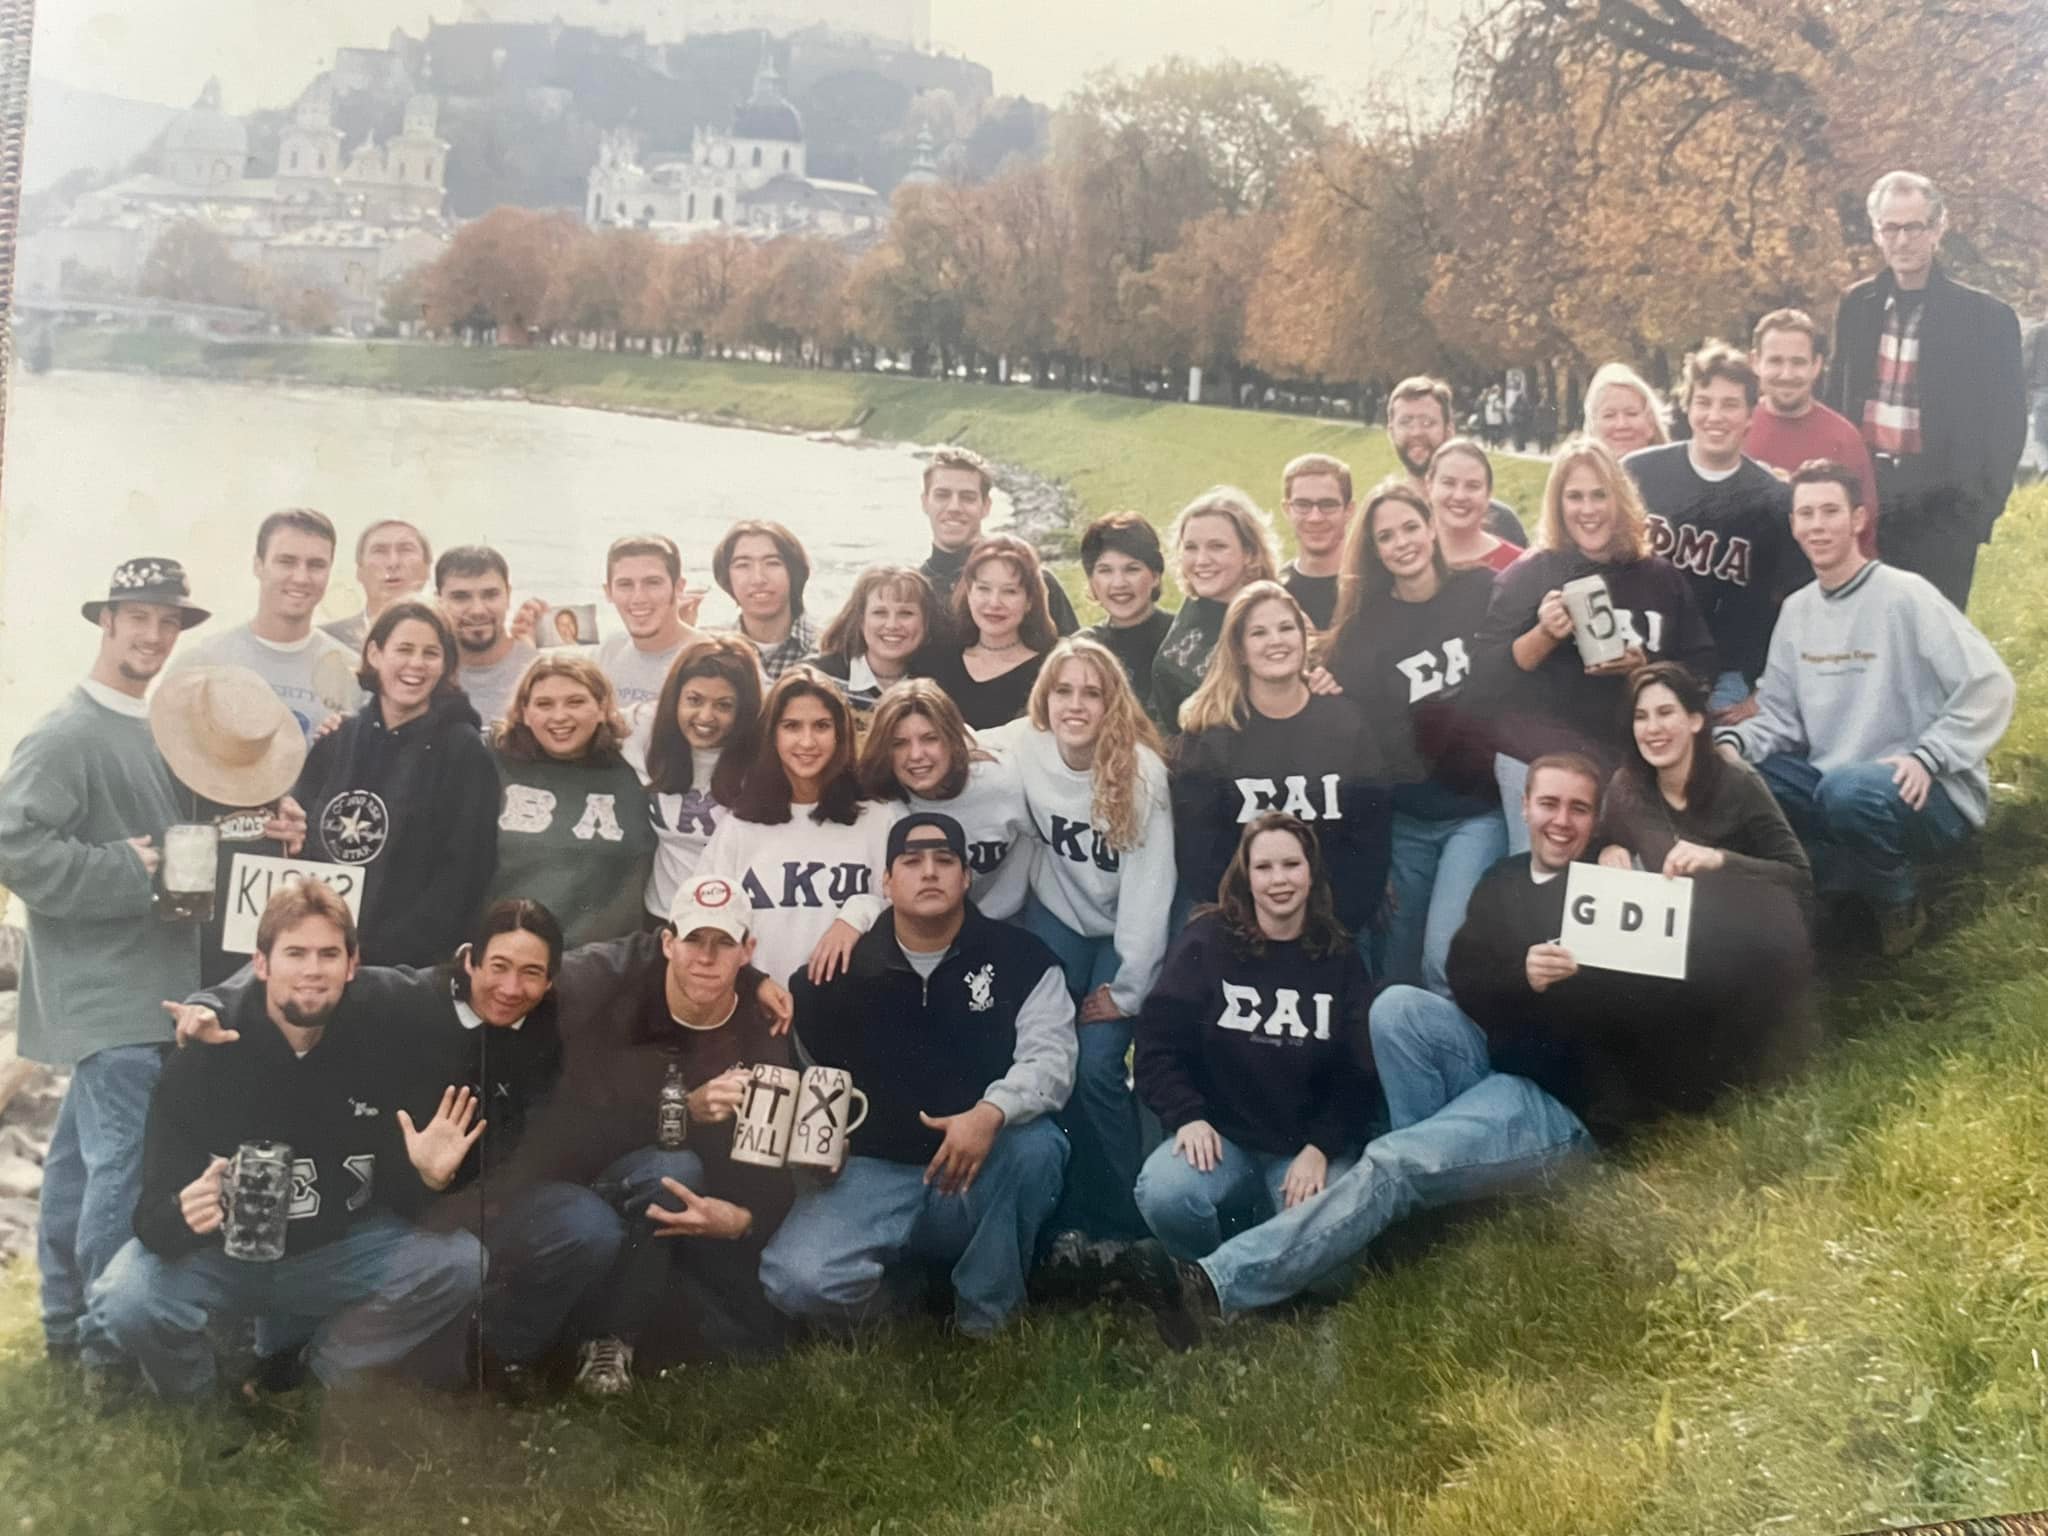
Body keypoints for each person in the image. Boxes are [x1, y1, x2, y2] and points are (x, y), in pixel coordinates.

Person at [1134, 754, 1812, 1343]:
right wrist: (1523, 974)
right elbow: (1464, 977)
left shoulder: (1618, 891)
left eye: (1579, 809)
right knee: (1398, 1006)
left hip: (1558, 1105)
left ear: (1594, 820)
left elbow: (1662, 1012)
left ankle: (1218, 1285)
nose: (1560, 820)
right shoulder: (1507, 880)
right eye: (1547, 803)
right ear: (1525, 806)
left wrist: (1595, 978)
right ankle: (1424, 1201)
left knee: (1391, 1160)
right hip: (1493, 1069)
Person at [87, 882, 485, 1401]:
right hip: (225, 1256)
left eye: (328, 954)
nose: (313, 970)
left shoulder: (381, 1044)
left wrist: (430, 1179)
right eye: (295, 953)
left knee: (461, 1262)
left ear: (351, 964)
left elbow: (394, 1196)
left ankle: (314, 1368)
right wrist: (181, 1214)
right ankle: (200, 1402)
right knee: (125, 1296)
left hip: (329, 1251)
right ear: (261, 963)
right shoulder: (207, 1053)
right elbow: (151, 1217)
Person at [0, 558, 209, 1370]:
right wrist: (124, 871)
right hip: (111, 994)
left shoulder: (148, 725)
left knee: (78, 1170)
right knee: (119, 1174)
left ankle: (62, 1326)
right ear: (107, 621)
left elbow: (174, 840)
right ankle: (105, 1354)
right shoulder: (67, 730)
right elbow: (16, 846)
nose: (153, 635)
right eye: (138, 618)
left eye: (168, 621)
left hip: (145, 983)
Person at [759, 812, 1076, 1338]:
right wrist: (814, 1141)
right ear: (886, 882)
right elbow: (798, 1067)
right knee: (794, 1280)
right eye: (912, 862)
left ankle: (986, 1315)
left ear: (966, 877)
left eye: (944, 861)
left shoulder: (1022, 959)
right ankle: (900, 1302)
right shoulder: (833, 970)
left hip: (972, 1173)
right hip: (871, 1172)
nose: (929, 873)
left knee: (1036, 1146)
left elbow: (1053, 1060)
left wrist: (990, 1112)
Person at [1717, 461, 2015, 954]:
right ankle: (1840, 883)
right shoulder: (1798, 610)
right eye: (1806, 514)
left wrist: (1930, 755)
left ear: (1858, 519)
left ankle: (1897, 902)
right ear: (1793, 525)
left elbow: (1991, 684)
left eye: (1830, 511)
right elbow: (1780, 716)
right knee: (1736, 771)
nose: (1817, 525)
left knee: (1848, 792)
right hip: (1834, 782)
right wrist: (1731, 745)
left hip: (1924, 788)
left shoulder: (1905, 595)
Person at [530, 876, 797, 1388]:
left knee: (760, 1340)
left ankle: (646, 1314)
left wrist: (740, 1219)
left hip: (697, 1198)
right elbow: (576, 1126)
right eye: (695, 940)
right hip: (594, 1174)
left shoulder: (760, 1029)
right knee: (672, 1167)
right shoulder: (618, 1000)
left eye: (724, 943)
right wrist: (686, 1112)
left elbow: (770, 1160)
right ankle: (609, 1340)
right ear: (669, 942)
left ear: (748, 953)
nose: (706, 957)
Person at [1133, 813, 1374, 1260]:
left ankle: (1263, 1266)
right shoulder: (1207, 942)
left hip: (1302, 1153)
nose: (1278, 880)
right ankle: (1207, 1277)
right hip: (1225, 1145)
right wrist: (1187, 1116)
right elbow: (1155, 1043)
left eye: (1291, 865)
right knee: (1164, 1191)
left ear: (1311, 871)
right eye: (1264, 867)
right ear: (1246, 875)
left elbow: (1359, 1071)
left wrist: (1322, 1147)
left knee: (1335, 1254)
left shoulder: (1339, 957)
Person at [1475, 438, 1715, 854]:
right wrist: (1542, 636)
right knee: (1547, 883)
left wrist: (1644, 672)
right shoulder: (1530, 574)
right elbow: (1484, 680)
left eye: (1600, 494)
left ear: (1619, 498)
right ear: (1558, 503)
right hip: (1539, 753)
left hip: (1630, 759)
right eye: (1575, 497)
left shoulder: (1658, 577)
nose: (1588, 510)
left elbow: (1700, 668)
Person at [1011, 637, 1175, 1244]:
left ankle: (1136, 1207)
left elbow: (1149, 890)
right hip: (1057, 914)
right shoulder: (1023, 746)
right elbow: (958, 745)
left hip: (1121, 931)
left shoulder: (1141, 773)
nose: (1075, 705)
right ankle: (1065, 1199)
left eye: (1091, 693)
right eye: (1063, 690)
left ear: (1113, 703)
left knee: (1099, 1062)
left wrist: (1128, 988)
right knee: (1042, 1049)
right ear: (1044, 698)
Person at [1318, 482, 1506, 996]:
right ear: (1374, 550)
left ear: (1430, 526)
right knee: (1395, 967)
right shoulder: (1364, 630)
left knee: (1442, 958)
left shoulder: (1483, 591)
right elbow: (1356, 750)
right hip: (1405, 823)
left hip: (1475, 811)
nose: (1401, 542)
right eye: (1385, 536)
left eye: (1409, 527)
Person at [1824, 170, 2027, 610]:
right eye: (1890, 228)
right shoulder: (1856, 306)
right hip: (1869, 493)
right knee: (1866, 628)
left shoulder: (1986, 318)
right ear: (1877, 233)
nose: (1903, 241)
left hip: (1943, 502)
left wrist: (1979, 511)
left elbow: (2007, 424)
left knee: (1934, 637)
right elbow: (1834, 398)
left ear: (1937, 228)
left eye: (1914, 227)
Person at [1171, 581, 1390, 943]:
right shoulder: (1212, 735)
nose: (1276, 641)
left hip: (1334, 925)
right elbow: (1200, 851)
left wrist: (1333, 923)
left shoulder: (1345, 722)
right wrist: (1247, 924)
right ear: (1240, 649)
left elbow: (1370, 839)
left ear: (1303, 640)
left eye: (1286, 628)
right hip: (1240, 928)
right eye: (1259, 632)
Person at [294, 599, 500, 966]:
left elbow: (463, 877)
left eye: (431, 653)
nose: (416, 664)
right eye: (404, 649)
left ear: (446, 664)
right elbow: (300, 842)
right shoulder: (337, 741)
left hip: (408, 971)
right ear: (375, 653)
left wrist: (378, 954)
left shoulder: (464, 752)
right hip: (320, 960)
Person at [1624, 340, 1803, 718]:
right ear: (1687, 406)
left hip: (1725, 675)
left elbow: (1802, 607)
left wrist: (1763, 693)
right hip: (1636, 657)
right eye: (1704, 402)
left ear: (1752, 414)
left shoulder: (1774, 500)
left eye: (1730, 404)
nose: (1715, 416)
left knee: (1711, 758)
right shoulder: (1638, 473)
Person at [697, 668, 901, 987]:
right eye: (792, 726)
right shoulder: (739, 825)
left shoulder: (878, 818)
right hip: (760, 1007)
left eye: (821, 726)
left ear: (840, 734)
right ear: (772, 735)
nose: (807, 742)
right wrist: (754, 983)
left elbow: (906, 904)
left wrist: (857, 912)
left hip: (849, 1007)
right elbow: (708, 919)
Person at [1595, 661, 1811, 911]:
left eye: (1665, 712)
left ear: (1695, 721)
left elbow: (1799, 877)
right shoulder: (1625, 785)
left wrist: (1719, 860)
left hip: (1738, 924)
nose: (1652, 728)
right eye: (1641, 717)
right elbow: (1602, 839)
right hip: (1665, 929)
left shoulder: (1739, 781)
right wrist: (1609, 850)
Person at [489, 653, 656, 946]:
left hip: (607, 967)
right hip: (509, 963)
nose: (560, 716)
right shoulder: (495, 764)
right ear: (525, 712)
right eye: (544, 704)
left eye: (575, 702)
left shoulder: (638, 769)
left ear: (603, 708)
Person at [169, 508, 360, 737]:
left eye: (316, 565)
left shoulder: (351, 674)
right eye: (286, 562)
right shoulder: (204, 663)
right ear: (258, 565)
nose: (301, 577)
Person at [858, 680, 1035, 920]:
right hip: (922, 925)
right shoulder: (882, 801)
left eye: (930, 738)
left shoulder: (1002, 781)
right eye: (899, 744)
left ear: (952, 739)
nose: (916, 755)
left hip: (1006, 918)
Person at [642, 637, 763, 927]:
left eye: (723, 705)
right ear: (675, 698)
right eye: (694, 700)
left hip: (734, 922)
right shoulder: (643, 739)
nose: (705, 717)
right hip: (662, 918)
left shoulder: (762, 761)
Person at [1744, 310, 1880, 558]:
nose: (1786, 374)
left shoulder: (1843, 438)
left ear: (1816, 365)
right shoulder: (1737, 429)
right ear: (1755, 362)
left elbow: (1864, 533)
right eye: (1775, 361)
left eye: (1798, 362)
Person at [1149, 487, 1281, 737]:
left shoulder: (1274, 617)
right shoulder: (1194, 608)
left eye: (1217, 546)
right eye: (1190, 547)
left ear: (1250, 553)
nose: (1201, 560)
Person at [917, 445, 1079, 635]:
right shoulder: (914, 592)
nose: (954, 507)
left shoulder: (1034, 581)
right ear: (925, 502)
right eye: (942, 495)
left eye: (967, 497)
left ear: (986, 506)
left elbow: (1077, 659)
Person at [596, 534, 708, 776]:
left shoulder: (710, 655)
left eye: (653, 583)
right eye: (625, 584)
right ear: (608, 592)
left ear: (678, 588)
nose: (638, 598)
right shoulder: (608, 651)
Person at [921, 533, 1058, 730]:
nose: (994, 603)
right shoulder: (937, 661)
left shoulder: (1049, 670)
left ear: (1029, 600)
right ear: (969, 592)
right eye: (984, 589)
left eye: (1009, 591)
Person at [1385, 377, 1528, 547]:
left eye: (1427, 422)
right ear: (1391, 433)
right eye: (1405, 422)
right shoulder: (1382, 521)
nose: (1416, 432)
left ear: (1449, 431)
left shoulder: (1501, 523)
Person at [802, 565, 943, 720]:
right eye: (880, 613)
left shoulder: (937, 686)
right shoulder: (817, 677)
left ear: (926, 622)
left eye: (906, 613)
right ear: (861, 620)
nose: (892, 625)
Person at [436, 545, 538, 733]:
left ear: (508, 596)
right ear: (438, 601)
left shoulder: (537, 668)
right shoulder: (425, 673)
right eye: (461, 597)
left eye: (490, 595)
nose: (477, 610)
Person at [711, 520, 817, 682]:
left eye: (772, 563)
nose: (758, 578)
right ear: (727, 577)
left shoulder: (826, 650)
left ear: (793, 572)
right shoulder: (712, 652)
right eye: (743, 565)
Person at [1077, 512, 1173, 689]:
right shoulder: (1082, 648)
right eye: (1105, 570)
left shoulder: (1181, 636)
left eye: (1132, 569)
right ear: (1091, 581)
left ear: (1155, 576)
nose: (1119, 583)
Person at [323, 518, 432, 652]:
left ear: (427, 569)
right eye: (379, 551)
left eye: (406, 550)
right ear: (360, 571)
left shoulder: (450, 640)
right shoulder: (328, 641)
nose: (393, 563)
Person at [1276, 453, 1355, 630]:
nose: (1315, 517)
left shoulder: (1374, 583)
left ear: (1349, 510)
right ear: (1287, 510)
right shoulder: (1275, 594)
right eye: (1303, 505)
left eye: (1328, 504)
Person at [1426, 438, 1522, 573]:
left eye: (1473, 486)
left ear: (1488, 493)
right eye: (1448, 483)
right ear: (1429, 485)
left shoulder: (1517, 566)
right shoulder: (1408, 558)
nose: (1459, 496)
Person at [1583, 363, 1671, 460]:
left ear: (1651, 422)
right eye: (1609, 415)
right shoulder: (1573, 473)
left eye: (1631, 414)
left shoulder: (1676, 473)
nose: (1622, 425)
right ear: (1593, 425)